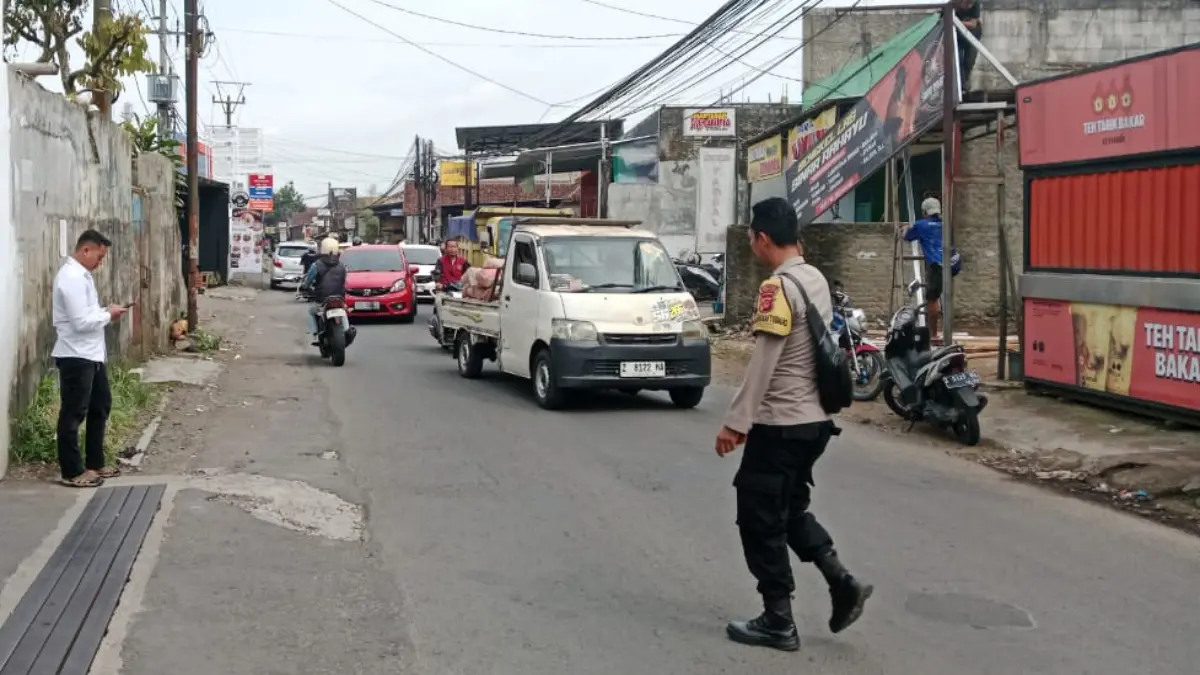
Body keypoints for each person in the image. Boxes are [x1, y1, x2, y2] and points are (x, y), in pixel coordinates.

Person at [715, 198, 872, 652]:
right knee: (789, 511)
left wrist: (735, 423)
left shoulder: (776, 288)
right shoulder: (814, 278)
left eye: (750, 238)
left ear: (763, 238)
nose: (750, 245)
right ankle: (841, 581)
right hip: (815, 424)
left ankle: (777, 620)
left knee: (758, 520)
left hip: (780, 424)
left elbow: (765, 361)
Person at [52, 230, 129, 488]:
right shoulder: (71, 278)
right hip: (75, 355)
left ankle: (94, 462)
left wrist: (105, 311)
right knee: (73, 413)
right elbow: (81, 321)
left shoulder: (83, 277)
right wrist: (109, 316)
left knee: (100, 405)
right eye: (100, 255)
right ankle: (72, 471)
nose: (101, 262)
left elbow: (87, 313)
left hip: (91, 355)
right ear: (86, 250)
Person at [902, 197, 946, 339]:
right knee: (938, 297)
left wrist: (906, 228)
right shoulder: (944, 224)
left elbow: (907, 237)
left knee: (931, 299)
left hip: (935, 265)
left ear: (925, 211)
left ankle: (933, 334)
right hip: (948, 264)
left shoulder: (922, 225)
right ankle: (936, 331)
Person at [306, 237, 347, 341]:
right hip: (339, 297)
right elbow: (345, 280)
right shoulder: (342, 266)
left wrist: (305, 287)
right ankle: (347, 329)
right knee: (344, 310)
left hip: (321, 298)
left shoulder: (316, 265)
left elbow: (308, 281)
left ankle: (315, 333)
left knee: (312, 311)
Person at [955, 0, 982, 93]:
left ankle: (965, 83)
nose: (969, 5)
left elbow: (973, 24)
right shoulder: (954, 3)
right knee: (958, 59)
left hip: (973, 34)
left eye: (971, 3)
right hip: (957, 34)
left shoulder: (976, 4)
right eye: (968, 3)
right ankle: (961, 86)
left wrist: (957, 22)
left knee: (969, 61)